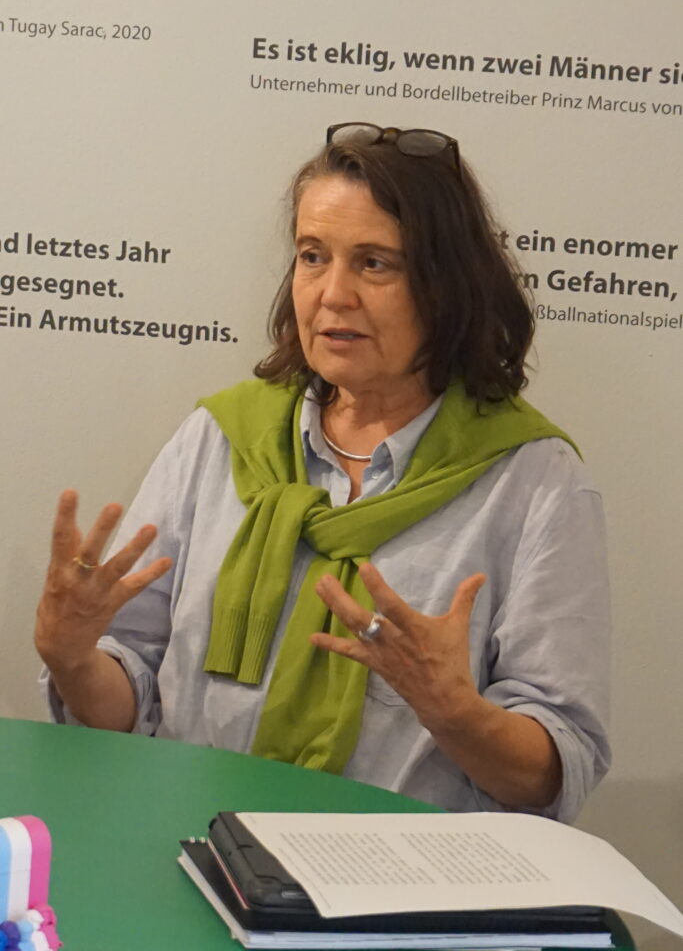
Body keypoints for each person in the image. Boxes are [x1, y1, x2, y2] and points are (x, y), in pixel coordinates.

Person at [35, 123, 610, 822]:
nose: (333, 294)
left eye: (375, 264)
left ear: (447, 285)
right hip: (189, 849)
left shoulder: (532, 481)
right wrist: (73, 659)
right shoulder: (222, 438)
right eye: (313, 256)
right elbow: (132, 704)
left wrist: (454, 712)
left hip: (403, 877)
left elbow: (553, 771)